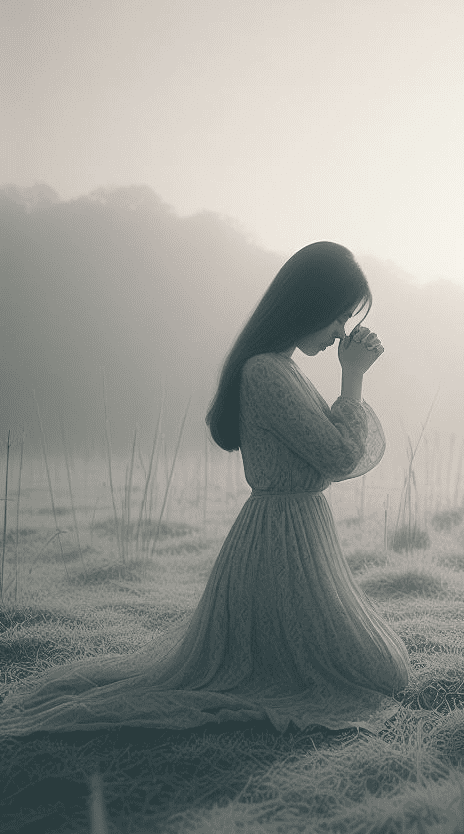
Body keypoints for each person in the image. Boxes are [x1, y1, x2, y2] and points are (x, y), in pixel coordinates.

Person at [0, 241, 410, 736]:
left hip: (299, 534)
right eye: (338, 317)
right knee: (361, 672)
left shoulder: (282, 368)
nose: (340, 333)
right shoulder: (264, 372)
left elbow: (332, 453)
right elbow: (340, 456)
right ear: (310, 303)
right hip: (280, 540)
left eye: (347, 320)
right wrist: (352, 377)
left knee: (376, 669)